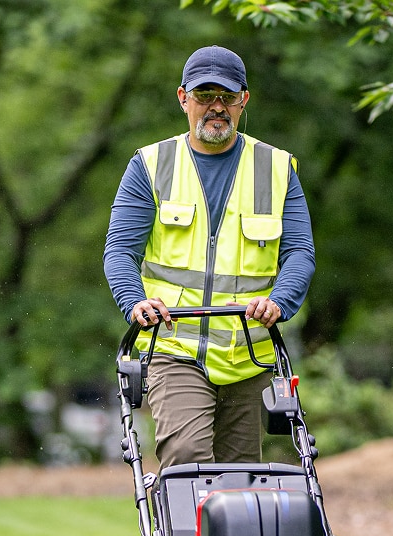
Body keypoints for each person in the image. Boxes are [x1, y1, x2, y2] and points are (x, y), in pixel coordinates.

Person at [104, 45, 315, 469]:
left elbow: (299, 252)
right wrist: (135, 301)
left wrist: (279, 300)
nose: (216, 107)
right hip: (174, 346)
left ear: (244, 101)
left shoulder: (276, 167)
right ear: (183, 98)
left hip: (248, 352)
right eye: (204, 96)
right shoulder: (151, 165)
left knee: (242, 478)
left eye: (227, 97)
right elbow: (120, 251)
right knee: (187, 460)